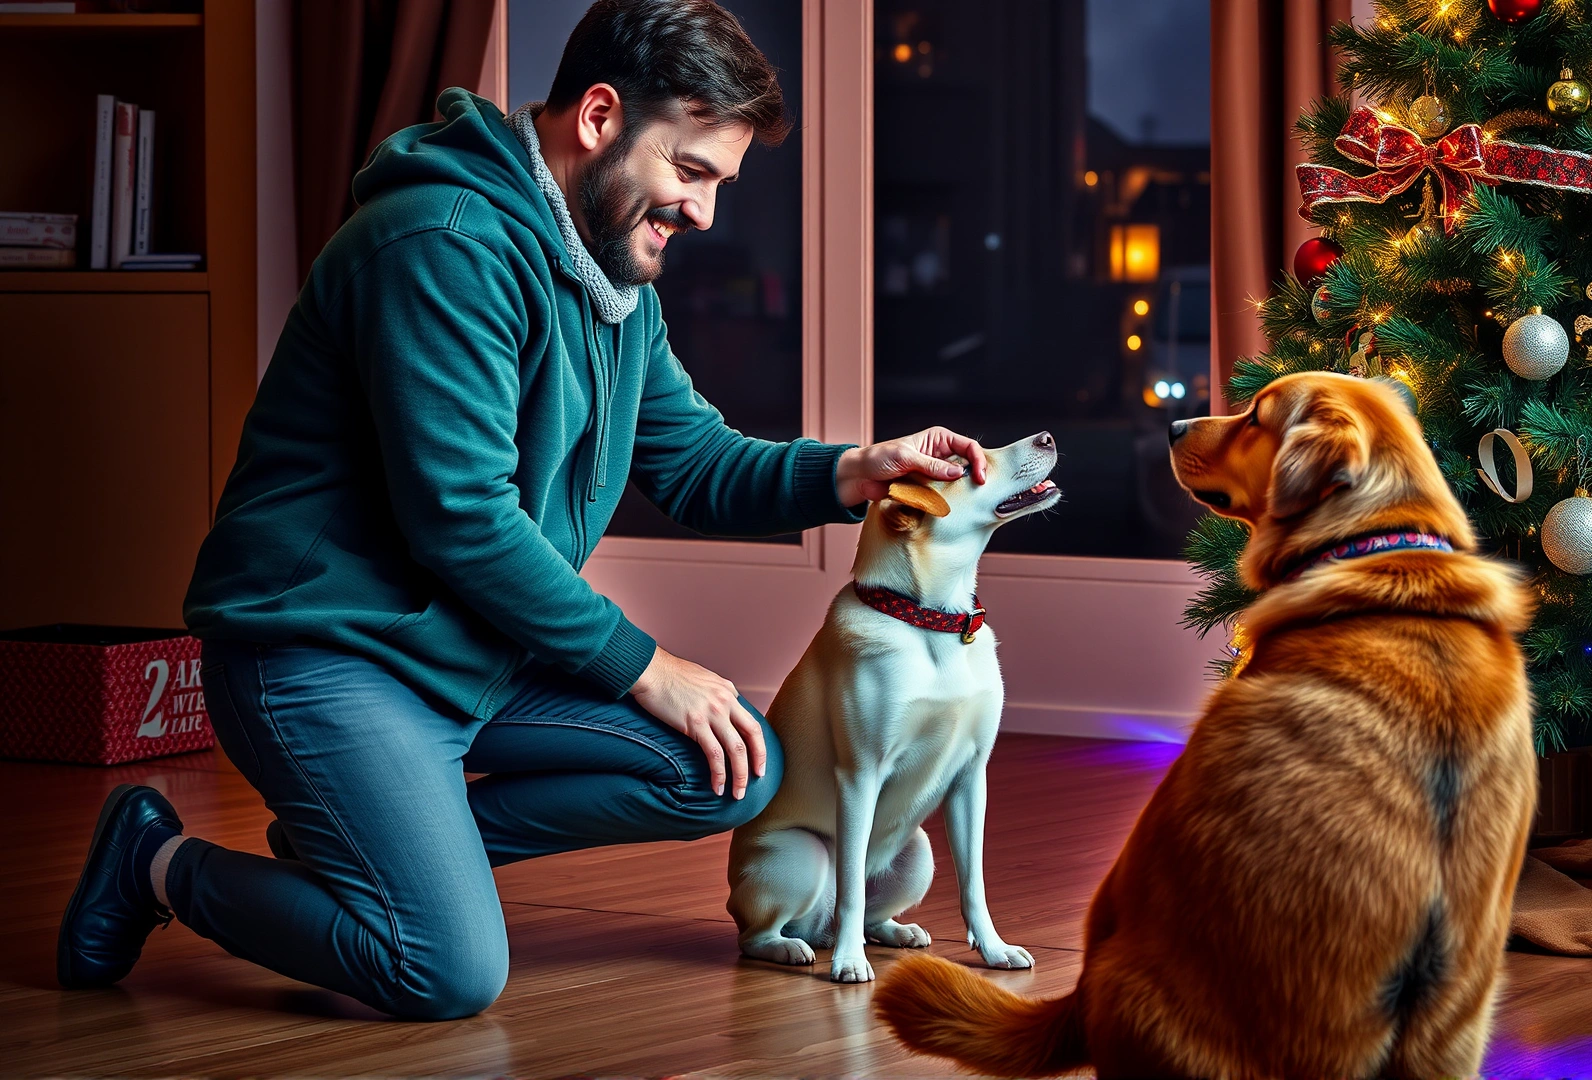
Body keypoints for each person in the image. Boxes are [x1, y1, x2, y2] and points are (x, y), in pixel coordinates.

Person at [55, 0, 987, 1021]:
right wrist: (645, 665)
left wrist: (857, 467)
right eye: (693, 171)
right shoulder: (442, 243)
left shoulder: (612, 279)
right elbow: (461, 518)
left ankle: (381, 843)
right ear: (598, 118)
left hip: (470, 650)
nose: (706, 213)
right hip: (326, 652)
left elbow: (693, 463)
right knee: (443, 971)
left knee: (734, 765)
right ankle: (156, 863)